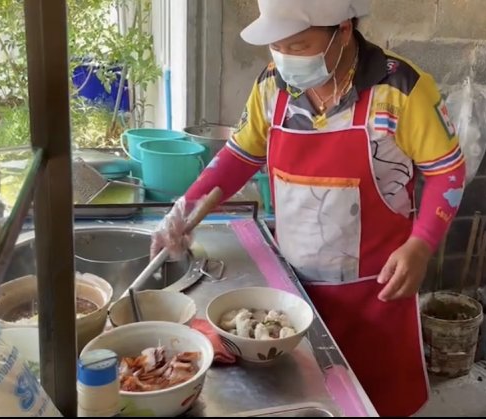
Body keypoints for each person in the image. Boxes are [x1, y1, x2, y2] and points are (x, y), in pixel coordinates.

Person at [151, 0, 466, 415]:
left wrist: (421, 244)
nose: (284, 58)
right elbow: (239, 156)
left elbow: (448, 173)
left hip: (376, 298)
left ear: (344, 30)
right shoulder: (271, 86)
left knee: (374, 405)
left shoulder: (401, 90)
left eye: (298, 45)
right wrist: (186, 208)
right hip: (290, 297)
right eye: (276, 46)